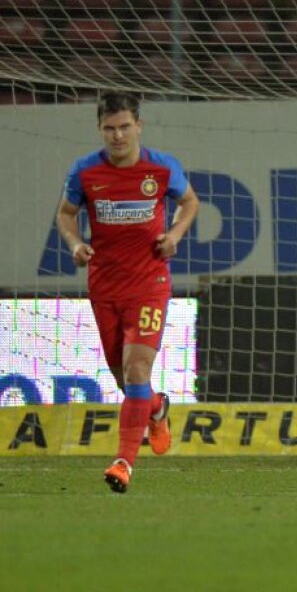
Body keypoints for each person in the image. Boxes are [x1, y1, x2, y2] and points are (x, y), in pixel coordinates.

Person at [56, 91, 199, 493]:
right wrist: (74, 244)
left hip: (150, 283)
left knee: (138, 370)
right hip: (104, 286)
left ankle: (123, 462)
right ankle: (156, 408)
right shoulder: (85, 172)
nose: (117, 136)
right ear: (100, 129)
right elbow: (66, 215)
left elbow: (189, 202)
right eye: (109, 129)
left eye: (124, 127)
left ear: (138, 126)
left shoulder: (162, 167)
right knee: (128, 383)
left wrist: (174, 233)